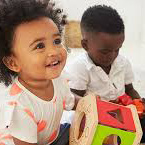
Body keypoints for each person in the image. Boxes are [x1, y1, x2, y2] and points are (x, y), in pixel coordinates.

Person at [0, 0, 80, 145]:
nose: (54, 51)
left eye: (56, 41)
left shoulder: (57, 78)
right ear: (13, 63)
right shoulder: (19, 106)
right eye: (39, 46)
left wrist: (91, 103)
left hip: (51, 138)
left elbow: (71, 100)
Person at [65, 5, 145, 143]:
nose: (112, 56)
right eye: (105, 51)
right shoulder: (80, 67)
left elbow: (130, 90)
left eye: (117, 49)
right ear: (85, 45)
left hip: (122, 117)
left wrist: (139, 105)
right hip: (96, 121)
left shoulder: (122, 62)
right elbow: (73, 100)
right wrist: (99, 107)